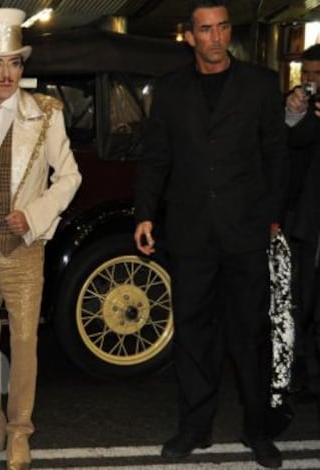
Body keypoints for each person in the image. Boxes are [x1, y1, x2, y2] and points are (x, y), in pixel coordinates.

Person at [133, 1, 288, 467]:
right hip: (191, 233)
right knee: (193, 337)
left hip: (245, 232)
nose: (216, 37)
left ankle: (258, 431)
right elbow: (156, 156)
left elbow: (276, 157)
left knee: (250, 334)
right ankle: (194, 429)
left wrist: (271, 216)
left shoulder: (261, 84)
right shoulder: (171, 89)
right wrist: (144, 214)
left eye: (222, 27)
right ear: (190, 36)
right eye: (206, 29)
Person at [0, 8, 82, 470]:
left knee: (24, 342)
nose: (7, 73)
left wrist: (35, 215)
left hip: (24, 249)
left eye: (15, 64)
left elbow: (69, 176)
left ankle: (21, 432)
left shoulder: (45, 113)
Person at [283, 44, 320, 397]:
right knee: (301, 298)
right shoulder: (298, 106)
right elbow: (292, 141)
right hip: (304, 219)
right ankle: (301, 371)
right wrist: (295, 112)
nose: (309, 81)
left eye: (316, 74)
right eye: (306, 73)